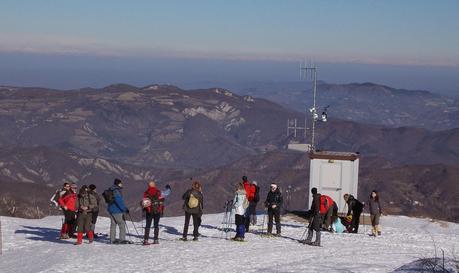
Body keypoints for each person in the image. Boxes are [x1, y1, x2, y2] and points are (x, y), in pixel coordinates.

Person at [107, 178, 129, 244]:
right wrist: (124, 209)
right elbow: (119, 201)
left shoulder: (110, 189)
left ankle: (112, 239)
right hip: (117, 211)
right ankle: (122, 239)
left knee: (113, 225)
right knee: (122, 224)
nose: (122, 184)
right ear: (118, 183)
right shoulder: (116, 191)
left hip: (111, 210)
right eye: (121, 183)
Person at [142, 181, 164, 245]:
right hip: (157, 211)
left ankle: (146, 240)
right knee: (156, 225)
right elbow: (162, 201)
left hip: (149, 211)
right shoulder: (158, 192)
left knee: (148, 225)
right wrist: (161, 210)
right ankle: (156, 239)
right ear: (154, 185)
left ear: (149, 186)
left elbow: (144, 203)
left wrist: (144, 209)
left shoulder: (146, 193)